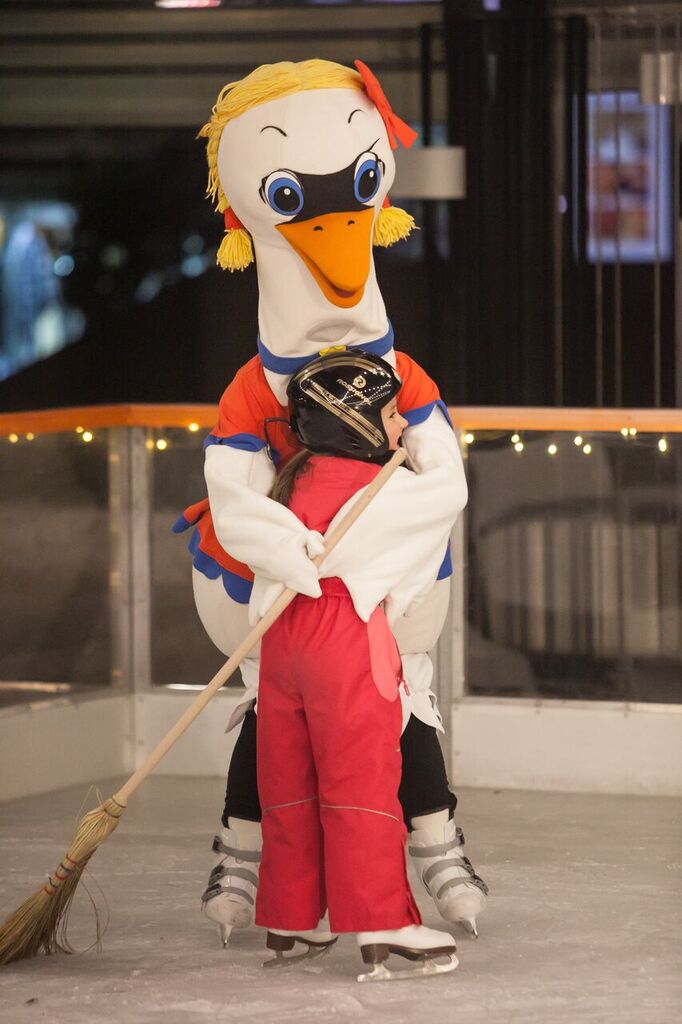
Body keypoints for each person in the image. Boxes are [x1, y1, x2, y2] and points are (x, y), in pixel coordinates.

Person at [254, 350, 459, 981]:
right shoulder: (387, 490)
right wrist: (428, 427)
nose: (400, 428)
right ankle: (381, 920)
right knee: (362, 781)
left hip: (281, 639)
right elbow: (450, 490)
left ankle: (291, 915)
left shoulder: (291, 480)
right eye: (391, 415)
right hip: (345, 638)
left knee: (290, 780)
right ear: (355, 422)